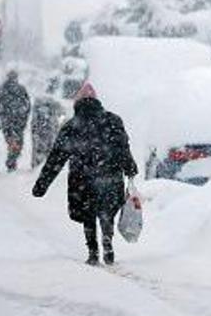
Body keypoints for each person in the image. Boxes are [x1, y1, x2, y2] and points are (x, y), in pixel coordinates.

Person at [32, 83, 137, 265]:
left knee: (88, 214)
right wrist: (130, 168)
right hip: (110, 176)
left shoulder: (72, 126)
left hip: (83, 179)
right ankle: (108, 241)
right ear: (97, 101)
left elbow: (56, 158)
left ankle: (93, 250)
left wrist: (42, 184)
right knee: (106, 211)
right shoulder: (113, 121)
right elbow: (122, 148)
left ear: (77, 103)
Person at [0, 71, 31, 172]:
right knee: (15, 142)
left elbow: (27, 105)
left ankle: (11, 160)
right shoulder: (4, 89)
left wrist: (24, 116)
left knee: (15, 143)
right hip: (12, 121)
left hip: (14, 121)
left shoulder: (18, 89)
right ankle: (11, 162)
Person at [30, 89, 63, 169]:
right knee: (49, 147)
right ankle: (48, 164)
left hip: (40, 129)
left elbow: (34, 120)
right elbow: (60, 114)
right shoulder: (53, 103)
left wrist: (34, 128)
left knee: (39, 147)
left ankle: (38, 163)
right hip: (49, 129)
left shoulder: (38, 103)